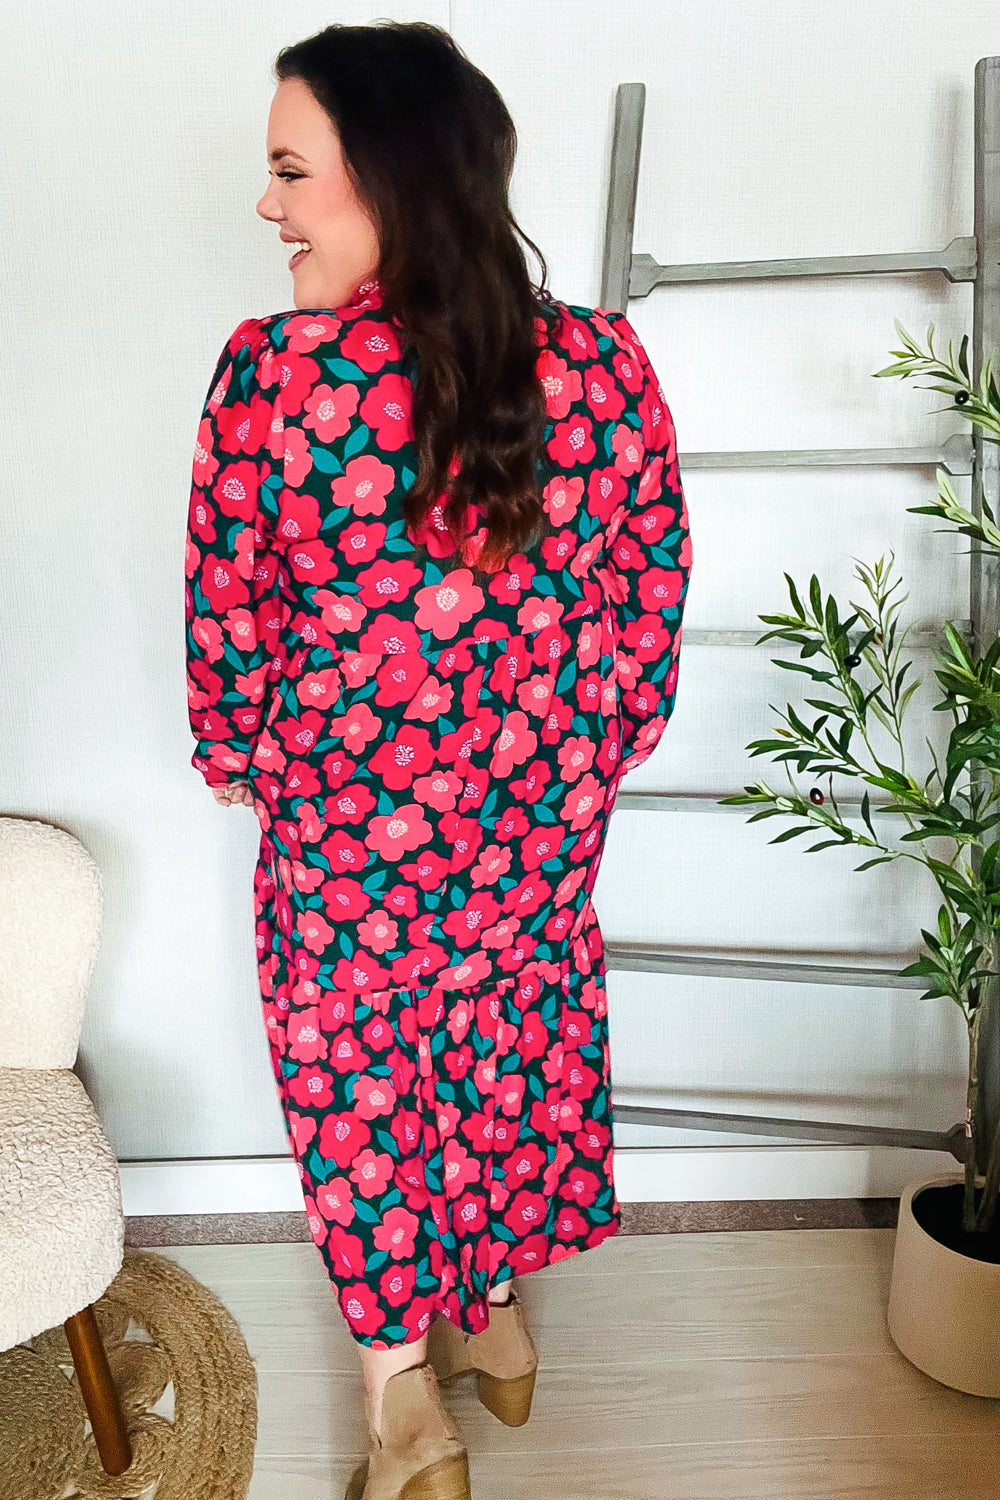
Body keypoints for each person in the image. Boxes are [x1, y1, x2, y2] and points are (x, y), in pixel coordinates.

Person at [184, 20, 691, 1500]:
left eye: (291, 171)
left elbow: (230, 611)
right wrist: (591, 752)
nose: (268, 205)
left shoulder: (276, 378)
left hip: (348, 832)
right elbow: (651, 589)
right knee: (506, 1040)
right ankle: (497, 1320)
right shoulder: (605, 362)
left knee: (362, 1080)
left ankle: (405, 1405)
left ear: (390, 175)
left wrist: (235, 752)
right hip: (540, 823)